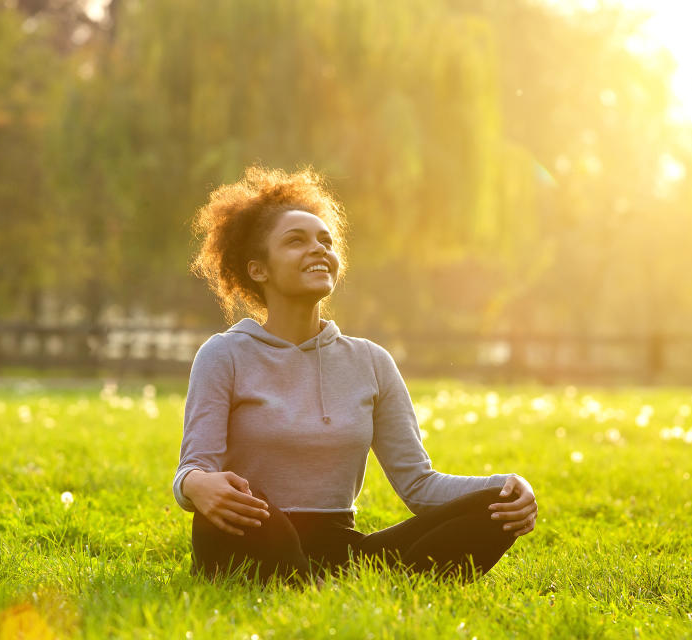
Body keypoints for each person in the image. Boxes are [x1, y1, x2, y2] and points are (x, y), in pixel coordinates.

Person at [173, 165, 537, 585]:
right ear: (259, 270)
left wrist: (510, 485)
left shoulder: (371, 361)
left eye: (325, 241)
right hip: (251, 530)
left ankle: (313, 581)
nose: (318, 249)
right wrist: (196, 486)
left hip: (340, 546)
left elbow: (419, 484)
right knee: (255, 514)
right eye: (296, 241)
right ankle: (313, 582)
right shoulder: (224, 354)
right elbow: (194, 469)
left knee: (496, 506)